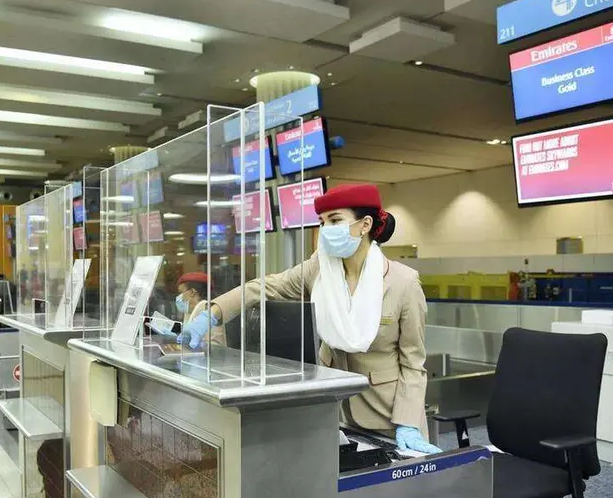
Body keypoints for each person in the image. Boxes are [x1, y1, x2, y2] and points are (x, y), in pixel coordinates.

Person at [181, 184, 440, 454]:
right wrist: (211, 314)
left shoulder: (403, 283)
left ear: (365, 225)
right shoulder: (319, 269)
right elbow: (265, 287)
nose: (326, 229)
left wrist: (407, 422)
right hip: (333, 415)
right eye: (322, 222)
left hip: (388, 418)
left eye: (336, 220)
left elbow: (413, 362)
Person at [175, 272, 226, 346]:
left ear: (192, 292)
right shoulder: (190, 310)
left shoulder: (206, 309)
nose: (179, 297)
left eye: (181, 292)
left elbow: (215, 345)